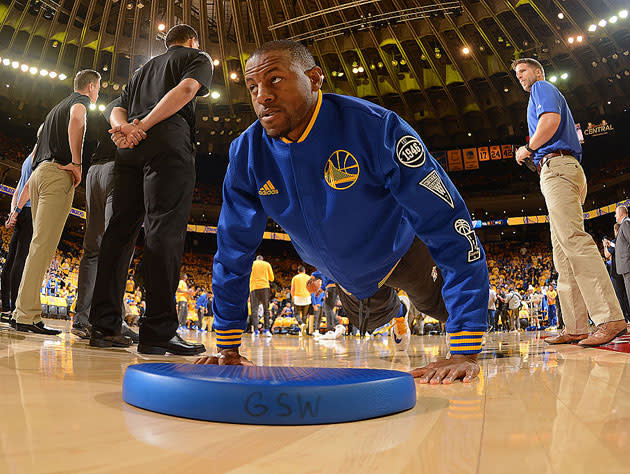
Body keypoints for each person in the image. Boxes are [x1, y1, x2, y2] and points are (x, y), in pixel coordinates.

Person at [196, 40, 489, 385]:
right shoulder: (247, 152)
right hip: (344, 274)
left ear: (315, 79)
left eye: (275, 80)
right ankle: (397, 311)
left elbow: (448, 223)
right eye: (253, 87)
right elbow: (233, 247)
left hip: (403, 254)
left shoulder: (378, 129)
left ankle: (442, 312)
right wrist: (227, 345)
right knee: (368, 322)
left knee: (441, 310)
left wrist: (464, 350)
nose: (262, 95)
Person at [88, 24, 212, 355]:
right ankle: (158, 331)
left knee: (118, 233)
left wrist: (124, 129)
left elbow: (115, 107)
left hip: (128, 148)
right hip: (166, 140)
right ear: (191, 41)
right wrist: (143, 125)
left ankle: (103, 324)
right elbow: (187, 90)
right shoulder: (197, 56)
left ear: (167, 43)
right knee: (163, 231)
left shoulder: (143, 70)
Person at [513, 58, 625, 346]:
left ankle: (610, 317)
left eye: (523, 70)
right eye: (517, 74)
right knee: (562, 251)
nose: (520, 76)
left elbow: (550, 122)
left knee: (573, 240)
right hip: (560, 169)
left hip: (558, 167)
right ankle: (575, 326)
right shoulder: (540, 92)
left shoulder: (541, 87)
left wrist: (528, 148)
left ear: (538, 71)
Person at [10, 70, 100, 334]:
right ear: (91, 86)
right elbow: (77, 120)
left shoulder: (53, 111)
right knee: (42, 248)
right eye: (98, 89)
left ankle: (24, 312)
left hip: (39, 175)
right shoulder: (79, 104)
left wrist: (18, 204)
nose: (97, 93)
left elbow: (36, 154)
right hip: (56, 175)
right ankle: (26, 315)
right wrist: (76, 162)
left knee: (38, 247)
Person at [71, 98, 138, 342]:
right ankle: (111, 320)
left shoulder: (117, 104)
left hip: (94, 172)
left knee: (92, 250)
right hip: (118, 172)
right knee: (116, 249)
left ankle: (82, 319)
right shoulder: (146, 101)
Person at [1, 127, 40, 320]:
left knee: (10, 261)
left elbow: (16, 190)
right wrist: (16, 211)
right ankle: (16, 309)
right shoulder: (40, 158)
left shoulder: (27, 159)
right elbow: (26, 187)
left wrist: (12, 212)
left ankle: (6, 307)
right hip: (29, 210)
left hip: (20, 210)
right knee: (20, 260)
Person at [604, 223, 630, 323]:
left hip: (616, 272)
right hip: (625, 270)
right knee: (626, 295)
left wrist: (605, 246)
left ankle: (625, 318)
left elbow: (607, 255)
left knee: (620, 297)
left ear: (616, 231)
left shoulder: (616, 241)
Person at [249, 255, 274, 337]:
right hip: (264, 287)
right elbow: (272, 278)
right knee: (266, 309)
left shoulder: (251, 264)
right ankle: (267, 330)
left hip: (254, 288)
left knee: (254, 310)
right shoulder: (267, 264)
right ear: (262, 260)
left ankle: (255, 331)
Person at [614, 206, 630, 315]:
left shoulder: (626, 223)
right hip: (625, 266)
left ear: (620, 213)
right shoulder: (624, 224)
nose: (615, 216)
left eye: (615, 214)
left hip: (628, 265)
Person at [290, 265, 311, 334]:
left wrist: (293, 297)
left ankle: (301, 324)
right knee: (304, 315)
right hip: (307, 297)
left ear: (298, 271)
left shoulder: (295, 277)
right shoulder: (309, 277)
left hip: (298, 297)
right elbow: (311, 288)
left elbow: (292, 289)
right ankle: (303, 330)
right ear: (304, 271)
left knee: (296, 313)